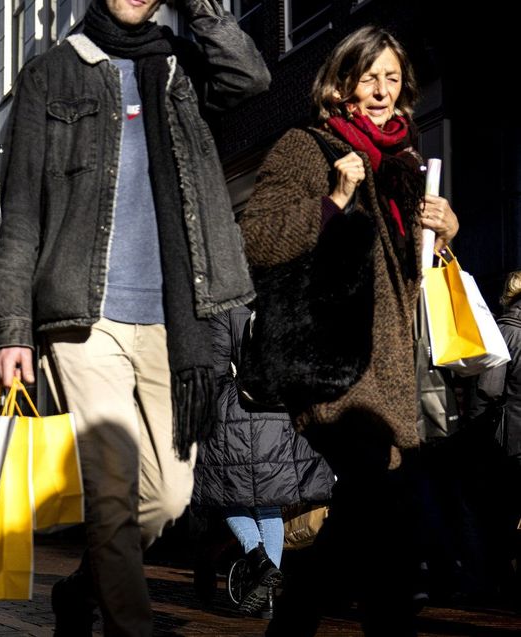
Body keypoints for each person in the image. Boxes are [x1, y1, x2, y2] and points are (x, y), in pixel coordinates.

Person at [0, 0, 269, 633]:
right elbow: (22, 215)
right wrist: (10, 328)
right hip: (83, 319)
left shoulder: (182, 66)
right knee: (111, 498)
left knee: (168, 495)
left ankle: (86, 587)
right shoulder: (52, 74)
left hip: (176, 318)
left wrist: (202, 8)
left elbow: (251, 79)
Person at [238, 26, 460, 635]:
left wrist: (444, 231)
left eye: (393, 78)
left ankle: (306, 617)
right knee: (376, 500)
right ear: (343, 84)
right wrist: (334, 199)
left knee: (379, 518)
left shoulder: (405, 162)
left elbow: (410, 275)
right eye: (371, 78)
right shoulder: (306, 148)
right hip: (333, 364)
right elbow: (258, 239)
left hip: (393, 368)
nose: (384, 90)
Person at [191, 306, 333, 618]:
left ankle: (259, 561)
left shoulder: (226, 304)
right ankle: (268, 599)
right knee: (269, 505)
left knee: (227, 498)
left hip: (235, 415)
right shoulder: (283, 292)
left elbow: (215, 367)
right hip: (281, 413)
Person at [470, 271, 521, 602]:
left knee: (501, 513)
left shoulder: (503, 334)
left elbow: (488, 390)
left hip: (511, 441)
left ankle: (504, 584)